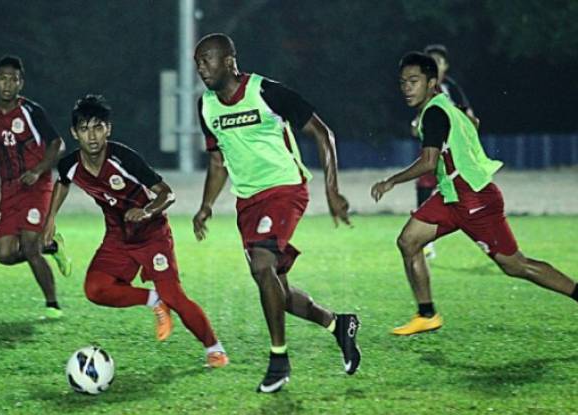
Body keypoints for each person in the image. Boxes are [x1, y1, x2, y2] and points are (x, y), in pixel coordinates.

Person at [192, 33, 361, 393]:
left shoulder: (265, 92)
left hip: (284, 190)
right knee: (277, 293)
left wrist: (332, 190)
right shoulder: (206, 106)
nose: (201, 68)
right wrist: (206, 206)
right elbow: (218, 160)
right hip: (247, 202)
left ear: (229, 61)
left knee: (261, 265)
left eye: (207, 59)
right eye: (198, 62)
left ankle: (279, 360)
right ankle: (339, 325)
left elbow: (323, 133)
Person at [371, 52, 578, 336]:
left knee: (515, 265)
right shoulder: (446, 106)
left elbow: (429, 162)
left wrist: (390, 181)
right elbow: (474, 124)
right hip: (451, 197)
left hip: (475, 200)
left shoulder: (433, 112)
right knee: (408, 241)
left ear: (432, 82)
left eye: (414, 80)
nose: (407, 87)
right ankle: (427, 315)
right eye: (403, 82)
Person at [42, 94, 228, 368]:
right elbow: (63, 182)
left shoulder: (124, 159)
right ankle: (154, 300)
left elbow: (168, 193)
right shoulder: (70, 164)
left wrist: (148, 211)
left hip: (152, 235)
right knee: (95, 289)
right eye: (84, 129)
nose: (91, 136)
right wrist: (50, 221)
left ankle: (214, 348)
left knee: (174, 296)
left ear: (108, 128)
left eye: (97, 127)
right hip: (118, 237)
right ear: (74, 133)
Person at [0, 55, 71, 319]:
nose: (8, 84)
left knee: (30, 247)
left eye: (13, 79)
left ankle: (52, 306)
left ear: (21, 83)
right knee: (4, 254)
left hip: (36, 185)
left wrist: (39, 170)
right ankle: (51, 247)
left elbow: (58, 144)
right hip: (9, 190)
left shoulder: (31, 112)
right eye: (3, 79)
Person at [412, 44, 476, 260]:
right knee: (425, 183)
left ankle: (480, 229)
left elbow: (469, 116)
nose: (434, 65)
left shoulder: (451, 87)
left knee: (463, 191)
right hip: (435, 148)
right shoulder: (423, 88)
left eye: (439, 61)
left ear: (446, 66)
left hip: (456, 152)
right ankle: (424, 241)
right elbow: (418, 118)